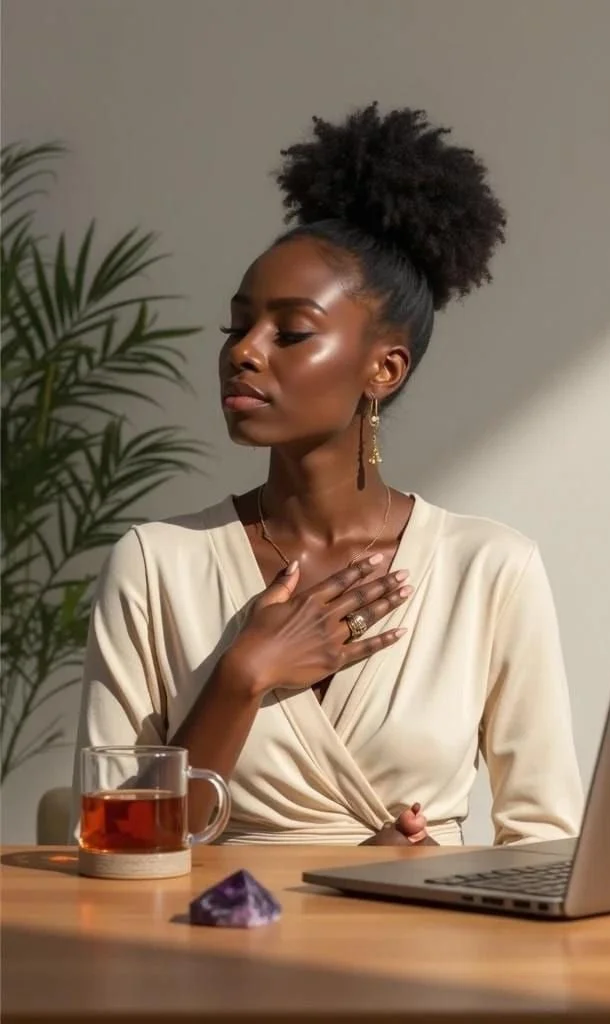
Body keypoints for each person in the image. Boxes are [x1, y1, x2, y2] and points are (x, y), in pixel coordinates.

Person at [71, 103, 583, 846]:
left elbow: (544, 845)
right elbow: (113, 844)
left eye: (291, 332)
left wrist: (422, 876)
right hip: (201, 952)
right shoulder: (156, 565)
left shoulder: (489, 570)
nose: (243, 350)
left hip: (415, 954)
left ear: (385, 366)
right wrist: (242, 674)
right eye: (237, 325)